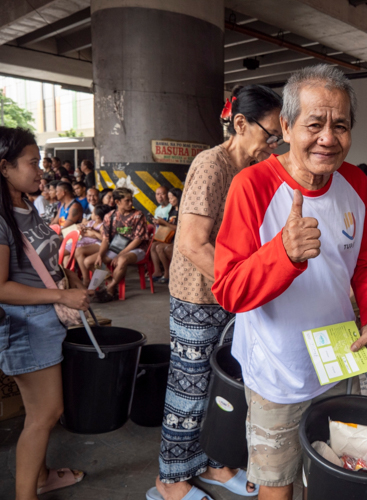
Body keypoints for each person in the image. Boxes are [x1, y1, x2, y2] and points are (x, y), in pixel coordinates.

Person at [212, 65, 367, 500]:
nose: (328, 137)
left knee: (332, 477)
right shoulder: (251, 186)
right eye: (314, 124)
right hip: (277, 374)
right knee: (277, 487)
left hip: (340, 361)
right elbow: (229, 290)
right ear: (286, 127)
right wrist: (283, 254)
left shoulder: (357, 183)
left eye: (340, 125)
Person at [148, 83, 283, 500]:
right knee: (188, 390)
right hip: (199, 299)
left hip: (225, 297)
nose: (274, 145)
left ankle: (209, 462)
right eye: (270, 134)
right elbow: (191, 243)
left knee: (218, 389)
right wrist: (243, 288)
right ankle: (170, 479)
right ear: (240, 124)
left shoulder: (248, 173)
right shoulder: (211, 164)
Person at [0, 126, 93, 499]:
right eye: (32, 163)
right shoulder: (2, 218)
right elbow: (1, 287)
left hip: (42, 321)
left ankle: (40, 477)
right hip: (26, 326)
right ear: (4, 167)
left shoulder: (23, 205)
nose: (41, 171)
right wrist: (61, 295)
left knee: (38, 412)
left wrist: (68, 281)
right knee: (45, 414)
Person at [85, 188, 148, 302]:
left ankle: (110, 288)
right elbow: (105, 239)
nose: (131, 203)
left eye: (131, 200)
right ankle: (110, 281)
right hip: (116, 248)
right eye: (127, 201)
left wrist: (120, 254)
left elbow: (138, 240)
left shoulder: (138, 215)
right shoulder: (109, 216)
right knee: (89, 262)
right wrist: (100, 254)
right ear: (117, 202)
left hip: (136, 249)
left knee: (122, 260)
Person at [73, 204, 112, 286]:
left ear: (97, 217)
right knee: (78, 251)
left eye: (93, 212)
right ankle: (86, 278)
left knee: (79, 251)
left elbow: (103, 239)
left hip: (101, 245)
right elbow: (80, 226)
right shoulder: (92, 222)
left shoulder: (103, 226)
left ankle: (87, 279)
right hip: (93, 244)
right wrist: (82, 228)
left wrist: (93, 232)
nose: (91, 213)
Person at [150, 188, 181, 284]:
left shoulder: (182, 211)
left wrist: (164, 222)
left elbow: (179, 228)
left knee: (159, 247)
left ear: (178, 198)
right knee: (153, 245)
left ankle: (168, 273)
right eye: (169, 198)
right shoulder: (171, 211)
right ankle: (158, 271)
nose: (170, 200)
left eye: (172, 198)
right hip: (170, 237)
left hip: (178, 239)